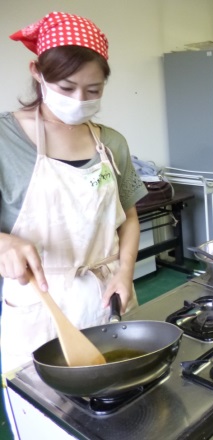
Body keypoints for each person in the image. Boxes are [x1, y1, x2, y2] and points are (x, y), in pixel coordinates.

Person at [0, 12, 147, 375]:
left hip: (105, 293)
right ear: (38, 72)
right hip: (40, 304)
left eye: (93, 90)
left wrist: (125, 272)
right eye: (66, 88)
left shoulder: (110, 142)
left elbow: (128, 216)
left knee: (116, 392)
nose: (79, 100)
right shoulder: (5, 139)